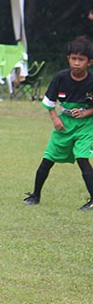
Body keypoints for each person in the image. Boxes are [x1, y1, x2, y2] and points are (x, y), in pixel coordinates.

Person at [23, 37, 93, 209]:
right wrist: (55, 118)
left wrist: (85, 112)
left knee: (82, 158)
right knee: (48, 158)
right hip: (65, 123)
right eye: (73, 58)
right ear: (68, 58)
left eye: (81, 59)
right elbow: (49, 102)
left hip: (86, 125)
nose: (77, 63)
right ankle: (35, 195)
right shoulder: (60, 78)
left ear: (89, 62)